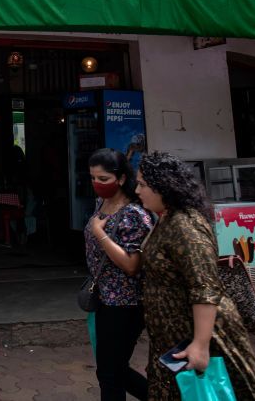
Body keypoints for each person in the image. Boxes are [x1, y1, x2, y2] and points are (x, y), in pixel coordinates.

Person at [135, 151, 255, 400]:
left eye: (143, 184)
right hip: (173, 337)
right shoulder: (166, 219)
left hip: (199, 335)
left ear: (163, 186)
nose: (137, 190)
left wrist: (200, 344)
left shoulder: (185, 225)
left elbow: (204, 287)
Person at [84, 148, 152, 401]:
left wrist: (100, 234)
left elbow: (132, 265)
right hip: (104, 299)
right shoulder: (101, 203)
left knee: (110, 373)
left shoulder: (134, 214)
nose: (97, 184)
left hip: (125, 303)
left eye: (103, 179)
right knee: (112, 370)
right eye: (93, 178)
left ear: (121, 178)